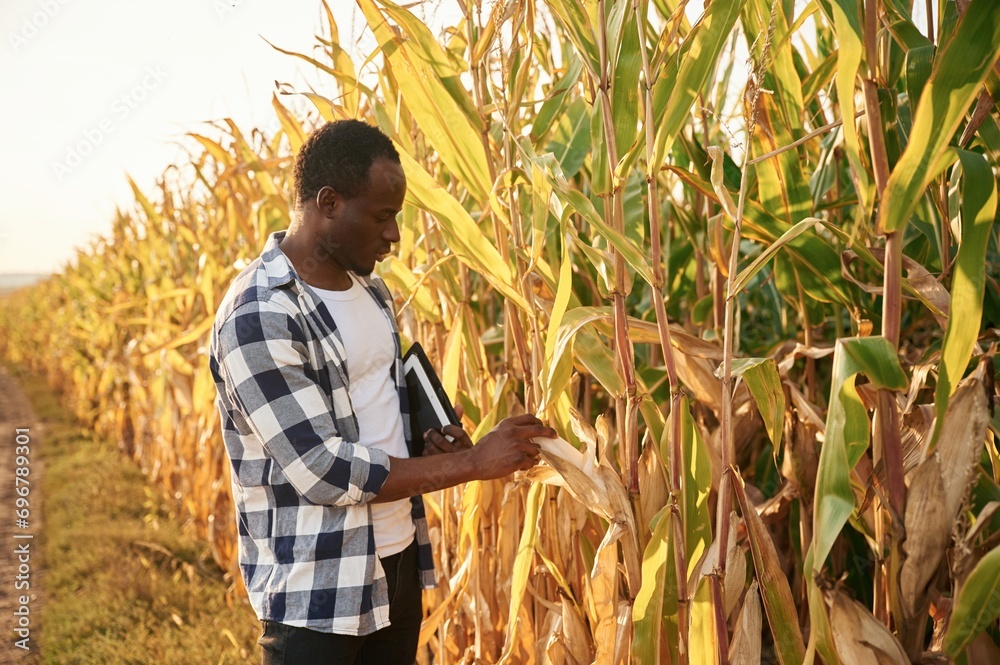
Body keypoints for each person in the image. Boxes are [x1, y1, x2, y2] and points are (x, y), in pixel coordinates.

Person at [209, 119, 555, 665]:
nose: (394, 235)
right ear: (328, 203)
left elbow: (370, 410)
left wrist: (429, 441)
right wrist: (471, 464)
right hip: (317, 592)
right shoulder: (260, 313)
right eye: (381, 216)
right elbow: (322, 469)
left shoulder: (370, 290)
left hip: (395, 562)